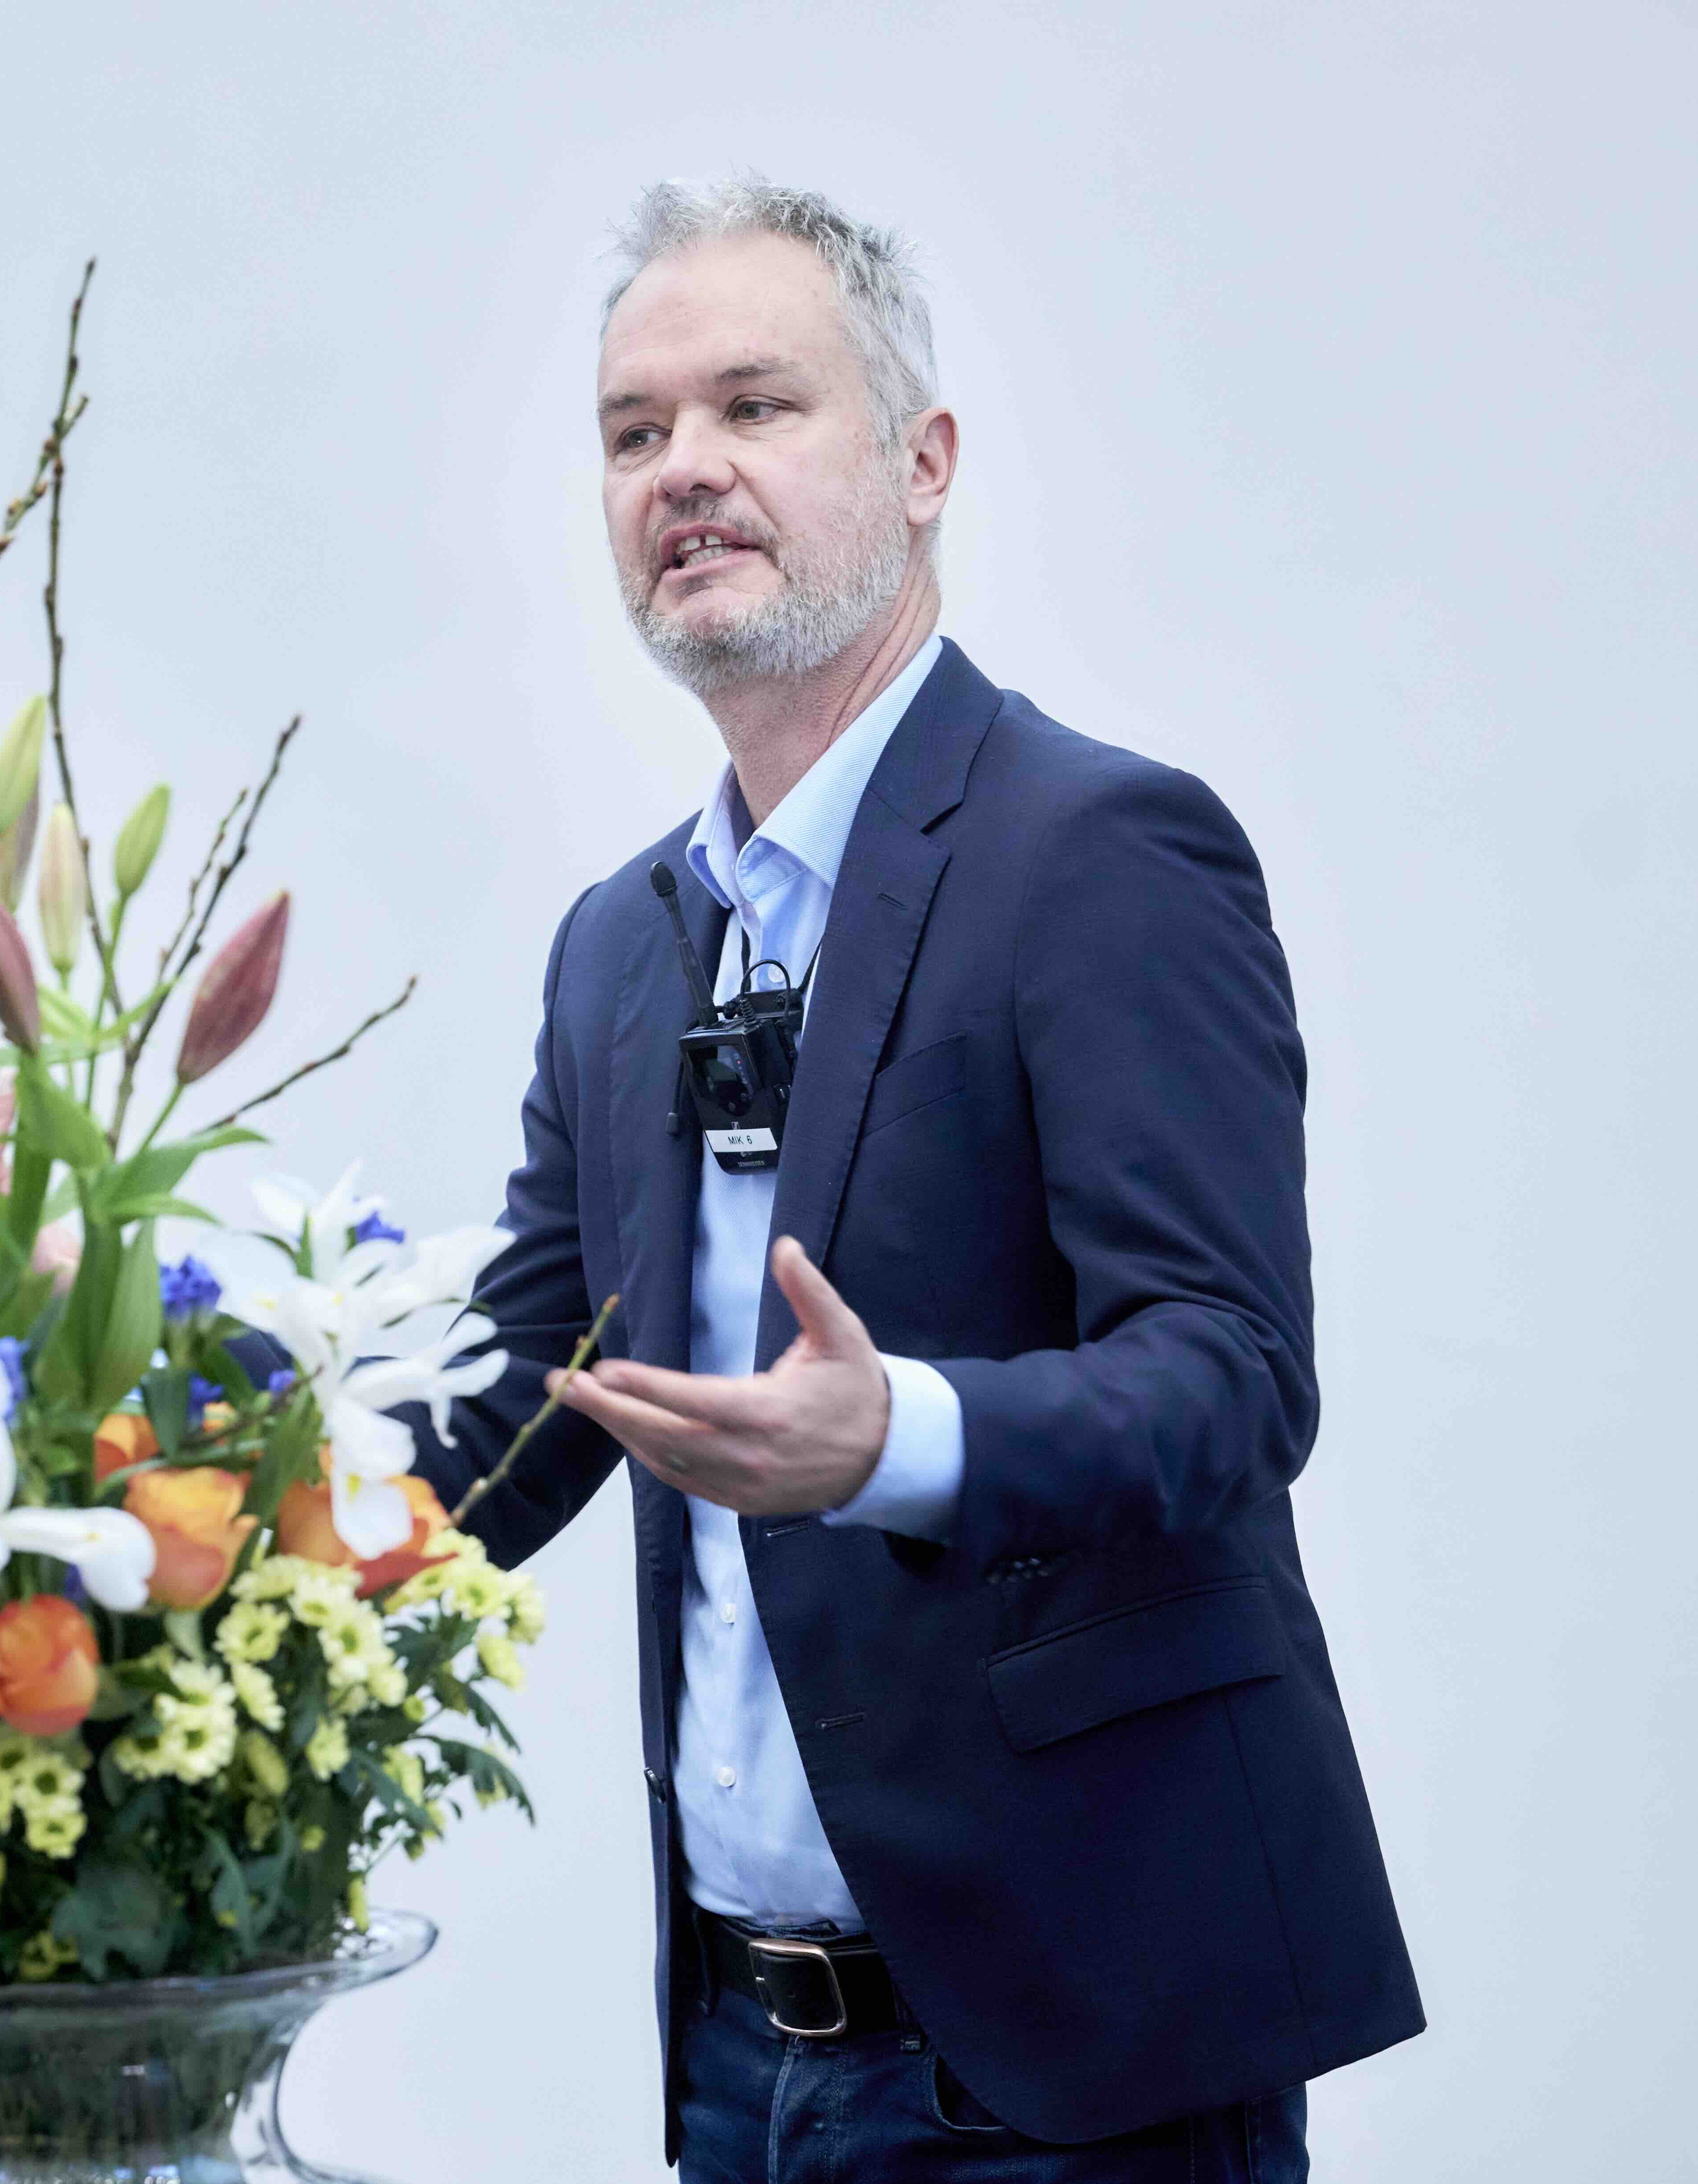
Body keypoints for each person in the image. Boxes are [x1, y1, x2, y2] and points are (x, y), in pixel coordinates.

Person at [405, 179, 1422, 2180]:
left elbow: (1225, 1375)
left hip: (1059, 2057)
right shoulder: (620, 946)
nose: (682, 467)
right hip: (727, 2052)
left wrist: (899, 1437)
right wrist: (138, 1511)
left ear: (921, 462)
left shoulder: (1099, 852)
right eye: (631, 432)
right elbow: (521, 1413)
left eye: (754, 407)